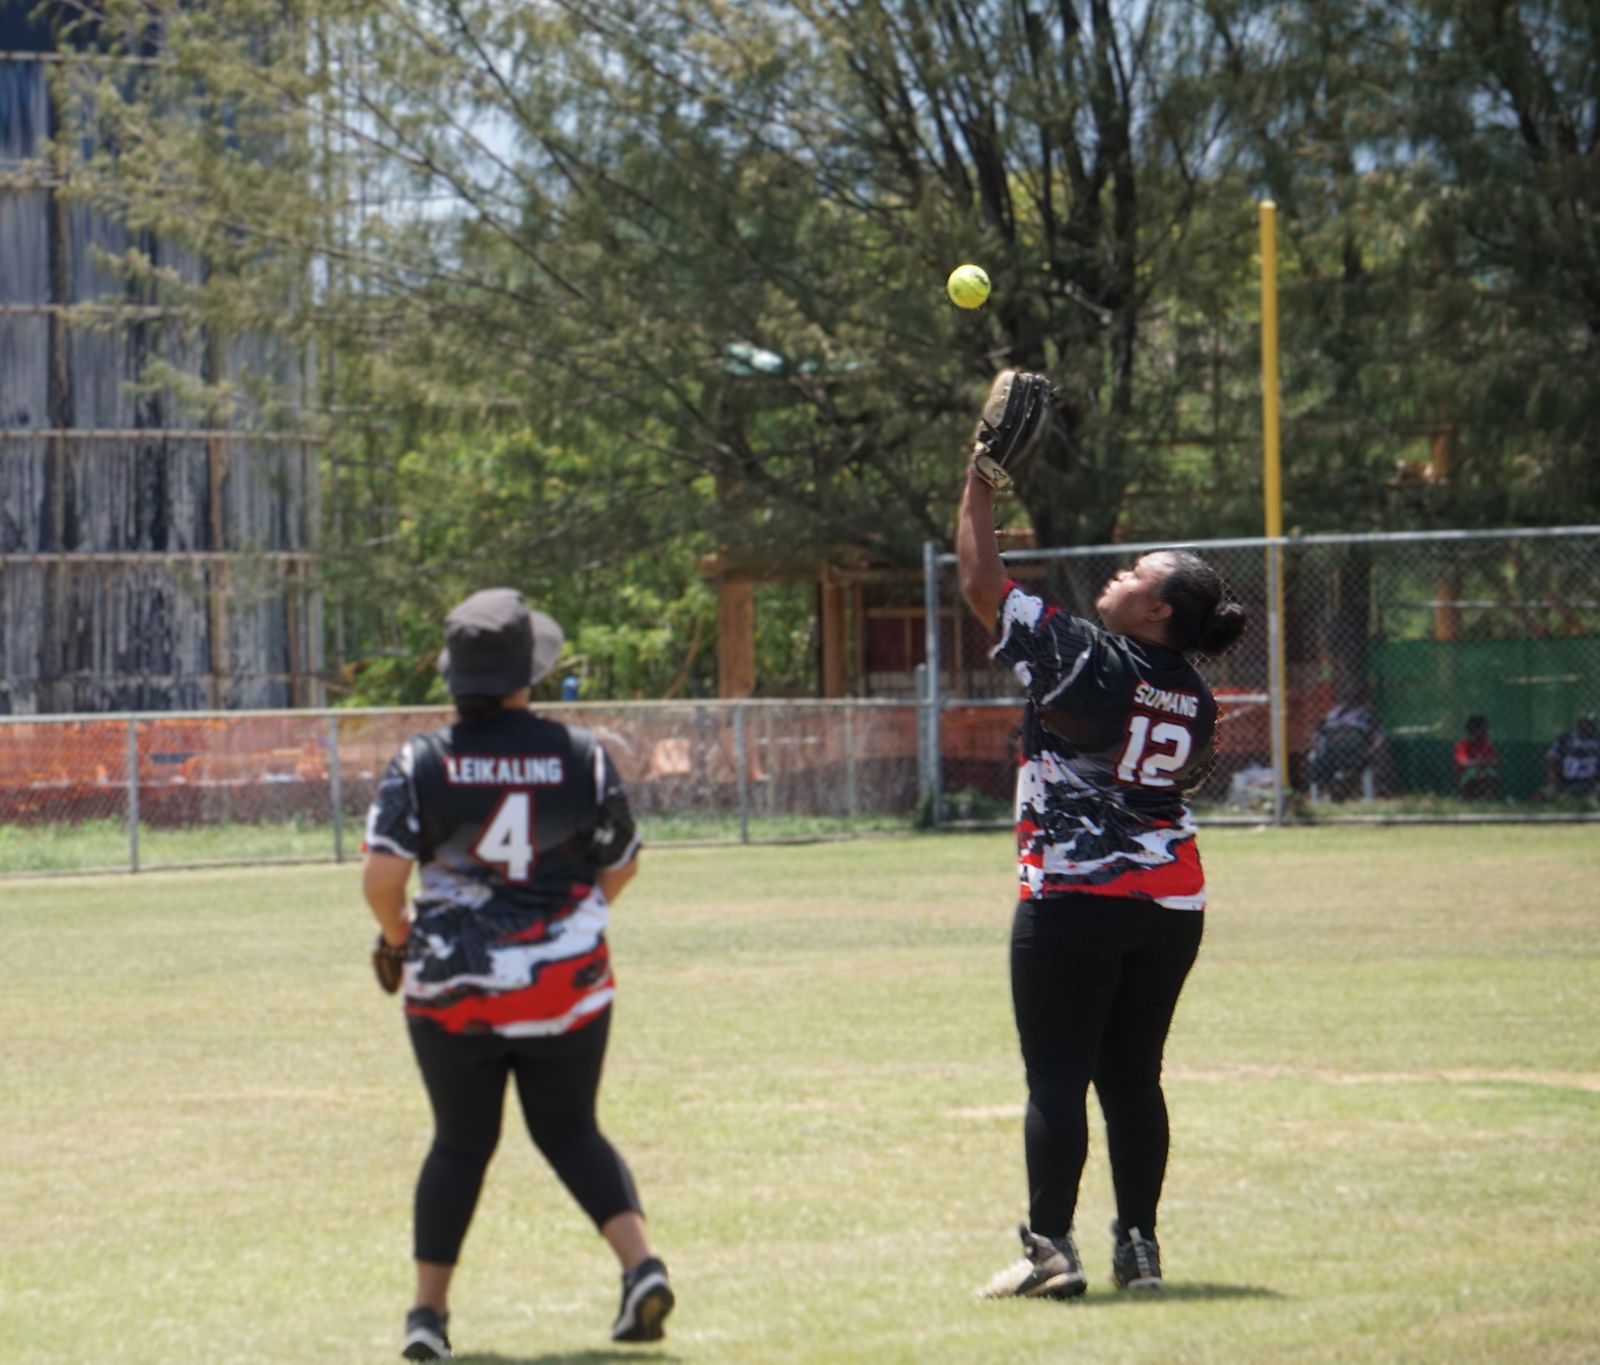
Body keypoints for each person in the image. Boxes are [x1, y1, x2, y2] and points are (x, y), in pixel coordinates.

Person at [956, 460, 1247, 1300]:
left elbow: (982, 582)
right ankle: (1141, 1250)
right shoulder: (1194, 694)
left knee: (1056, 1078)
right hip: (1170, 901)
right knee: (1132, 1078)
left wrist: (978, 481)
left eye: (1135, 574)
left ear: (1156, 609)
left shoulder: (1090, 658)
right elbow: (1177, 779)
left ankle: (1052, 1251)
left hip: (1076, 895)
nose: (1118, 576)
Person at [362, 588, 673, 1360]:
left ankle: (428, 1319)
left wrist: (399, 937)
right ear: (524, 674)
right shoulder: (581, 754)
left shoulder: (421, 759)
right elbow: (624, 862)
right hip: (566, 983)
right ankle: (642, 1268)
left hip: (453, 988)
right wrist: (568, 919)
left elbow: (380, 875)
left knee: (460, 1143)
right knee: (570, 1128)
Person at [1307, 696, 1386, 801]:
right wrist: (1370, 751)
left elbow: (1315, 737)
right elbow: (1380, 736)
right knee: (1320, 760)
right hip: (1351, 757)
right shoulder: (1364, 716)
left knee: (1317, 759)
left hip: (1334, 757)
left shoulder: (1332, 716)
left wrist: (1318, 749)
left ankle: (1338, 785)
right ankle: (1340, 785)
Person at [1545, 711, 1600, 798]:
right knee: (1552, 758)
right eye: (1584, 723)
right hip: (1568, 780)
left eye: (1589, 723)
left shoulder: (1597, 739)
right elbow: (1551, 753)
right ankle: (1558, 790)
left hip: (1592, 781)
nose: (1586, 727)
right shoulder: (1567, 737)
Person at [1453, 714, 1501, 802]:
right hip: (1467, 774)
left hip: (1485, 771)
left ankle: (1488, 798)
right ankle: (1469, 798)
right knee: (1472, 773)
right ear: (1474, 730)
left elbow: (1495, 761)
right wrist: (1483, 763)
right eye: (1483, 730)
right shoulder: (1462, 745)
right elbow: (1463, 763)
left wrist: (1478, 764)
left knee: (1491, 774)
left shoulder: (1486, 745)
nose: (1486, 732)